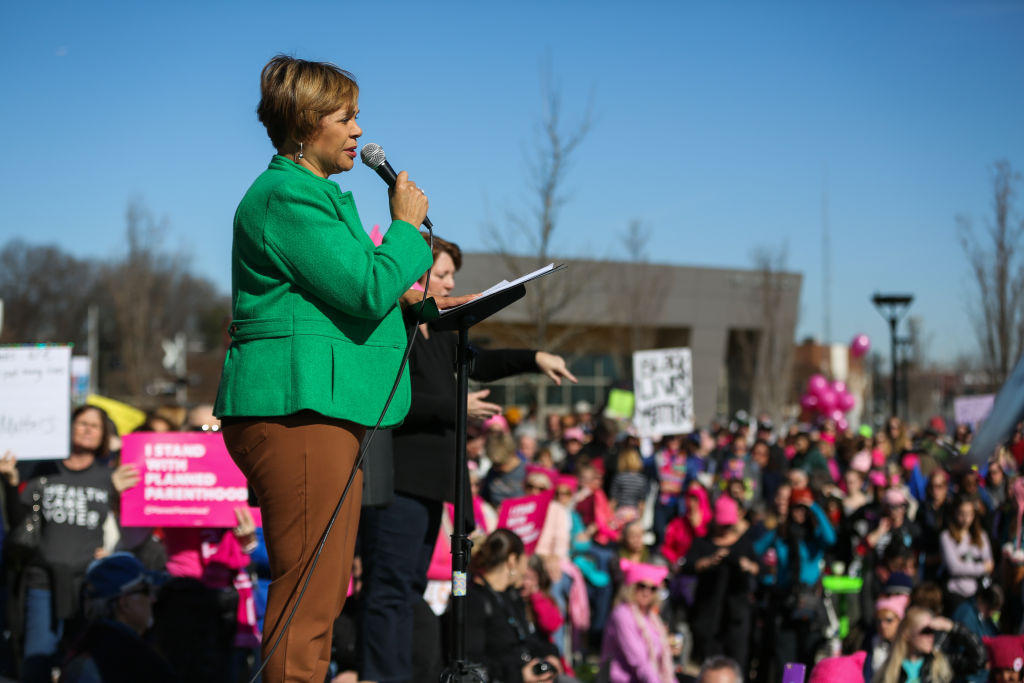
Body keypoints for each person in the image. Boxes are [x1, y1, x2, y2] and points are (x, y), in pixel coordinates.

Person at [214, 54, 434, 683]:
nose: (359, 130)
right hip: (296, 410)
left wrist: (423, 305)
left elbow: (351, 295)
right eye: (346, 117)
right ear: (306, 123)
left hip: (318, 411)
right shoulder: (288, 195)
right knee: (309, 596)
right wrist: (405, 227)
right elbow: (365, 288)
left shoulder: (313, 196)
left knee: (323, 589)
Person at [358, 234, 576, 683]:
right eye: (441, 274)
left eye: (451, 275)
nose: (450, 284)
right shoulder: (391, 327)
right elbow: (390, 399)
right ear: (413, 276)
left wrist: (535, 357)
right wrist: (458, 406)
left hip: (430, 484)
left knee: (410, 589)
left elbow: (483, 362)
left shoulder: (439, 332)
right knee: (388, 591)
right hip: (396, 484)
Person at [16, 405, 138, 683]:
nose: (87, 430)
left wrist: (112, 549)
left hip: (87, 584)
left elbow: (128, 529)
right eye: (82, 423)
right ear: (68, 426)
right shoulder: (44, 470)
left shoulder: (110, 478)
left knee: (81, 662)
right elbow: (19, 517)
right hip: (43, 580)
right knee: (37, 660)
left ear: (103, 435)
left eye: (95, 426)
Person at [459, 529, 563, 683]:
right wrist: (519, 676)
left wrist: (550, 656)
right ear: (512, 560)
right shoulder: (475, 600)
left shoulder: (511, 596)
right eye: (525, 560)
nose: (525, 569)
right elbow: (472, 661)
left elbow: (530, 640)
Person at [58, 552, 175, 683]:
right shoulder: (135, 662)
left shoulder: (83, 652)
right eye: (145, 591)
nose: (153, 599)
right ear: (124, 603)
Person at [600, 560, 676, 683]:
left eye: (653, 588)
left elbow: (659, 659)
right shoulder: (622, 614)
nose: (647, 592)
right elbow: (639, 661)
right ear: (631, 587)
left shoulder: (652, 617)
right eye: (642, 586)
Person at [872, 606, 986, 683]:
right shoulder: (890, 669)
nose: (931, 636)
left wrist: (952, 627)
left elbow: (979, 658)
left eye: (933, 631)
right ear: (907, 634)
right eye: (926, 631)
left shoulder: (941, 662)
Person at [940, 494, 993, 616]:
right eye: (961, 513)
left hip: (979, 593)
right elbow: (954, 568)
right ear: (954, 513)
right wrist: (981, 567)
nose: (966, 518)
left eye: (969, 514)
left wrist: (964, 563)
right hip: (956, 592)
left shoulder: (981, 535)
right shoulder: (946, 536)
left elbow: (990, 564)